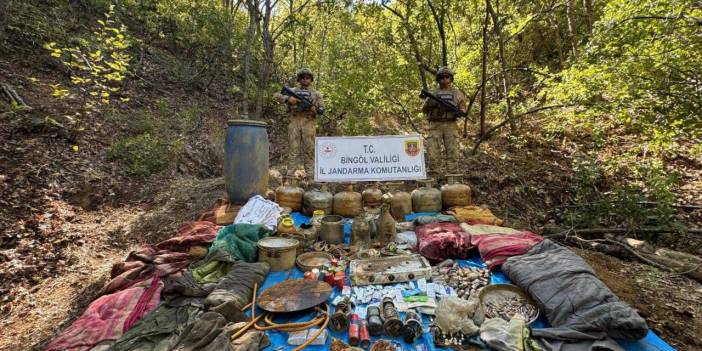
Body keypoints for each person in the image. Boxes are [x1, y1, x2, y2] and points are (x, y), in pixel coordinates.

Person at [274, 68, 325, 178]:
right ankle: (290, 176)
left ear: (311, 80)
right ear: (299, 79)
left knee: (310, 150)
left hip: (309, 123)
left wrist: (313, 109)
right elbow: (277, 95)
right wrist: (288, 99)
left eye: (308, 78)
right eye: (302, 78)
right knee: (293, 149)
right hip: (295, 122)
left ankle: (311, 176)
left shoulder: (316, 94)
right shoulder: (293, 91)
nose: (305, 80)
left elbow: (321, 110)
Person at [420, 67, 467, 179]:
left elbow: (463, 109)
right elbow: (424, 110)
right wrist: (432, 104)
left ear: (451, 78)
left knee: (453, 152)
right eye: (441, 77)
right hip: (435, 125)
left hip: (451, 125)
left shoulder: (457, 93)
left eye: (447, 77)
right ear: (438, 79)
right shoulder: (433, 93)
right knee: (433, 152)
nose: (444, 79)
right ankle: (433, 179)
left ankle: (452, 179)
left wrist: (459, 111)